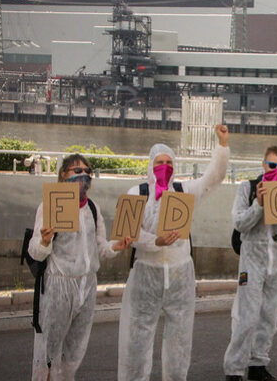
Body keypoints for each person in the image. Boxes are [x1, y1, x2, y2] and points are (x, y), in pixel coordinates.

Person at [118, 126, 230, 381]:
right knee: (136, 339)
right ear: (150, 164)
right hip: (146, 273)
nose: (165, 166)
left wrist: (222, 147)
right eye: (159, 162)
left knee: (179, 340)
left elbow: (213, 179)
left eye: (169, 162)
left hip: (180, 275)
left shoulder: (183, 191)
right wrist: (154, 241)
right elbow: (127, 235)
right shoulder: (137, 194)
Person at [29, 154, 131, 380]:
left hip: (87, 286)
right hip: (58, 286)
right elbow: (34, 251)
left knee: (74, 352)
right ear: (63, 174)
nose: (82, 175)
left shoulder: (93, 208)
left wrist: (118, 246)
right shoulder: (48, 206)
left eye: (87, 171)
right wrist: (45, 240)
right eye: (76, 170)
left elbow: (101, 248)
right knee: (48, 352)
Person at [224, 146, 277, 381]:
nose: (276, 171)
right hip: (252, 260)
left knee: (269, 316)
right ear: (263, 165)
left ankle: (258, 364)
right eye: (272, 165)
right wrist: (258, 203)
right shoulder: (247, 188)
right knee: (246, 316)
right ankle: (234, 369)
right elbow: (239, 223)